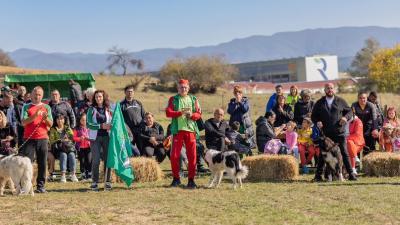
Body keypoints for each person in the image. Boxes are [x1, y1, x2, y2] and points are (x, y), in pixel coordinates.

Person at [311, 83, 357, 181]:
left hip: (339, 132)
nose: (330, 90)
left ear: (334, 89)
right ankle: (318, 176)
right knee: (323, 155)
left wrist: (345, 117)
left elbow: (350, 112)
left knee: (344, 153)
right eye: (328, 88)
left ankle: (351, 174)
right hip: (326, 134)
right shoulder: (319, 102)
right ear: (325, 90)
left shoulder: (340, 101)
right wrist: (317, 121)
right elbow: (313, 116)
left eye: (331, 88)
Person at [166, 79, 202, 188]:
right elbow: (168, 112)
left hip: (190, 131)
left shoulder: (193, 99)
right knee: (174, 156)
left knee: (192, 157)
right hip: (177, 131)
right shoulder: (173, 99)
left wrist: (192, 115)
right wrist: (180, 113)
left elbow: (199, 114)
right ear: (178, 88)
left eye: (185, 87)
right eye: (181, 87)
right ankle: (176, 179)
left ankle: (191, 180)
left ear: (188, 88)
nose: (183, 89)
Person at [19, 86, 53, 193]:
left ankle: (41, 186)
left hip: (42, 138)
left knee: (42, 163)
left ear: (42, 96)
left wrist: (45, 118)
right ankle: (25, 186)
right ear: (31, 94)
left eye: (39, 94)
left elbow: (51, 124)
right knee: (27, 164)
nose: (37, 96)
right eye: (35, 94)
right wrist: (35, 116)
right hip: (29, 139)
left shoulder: (47, 107)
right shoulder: (26, 106)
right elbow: (23, 122)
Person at [87, 90, 113, 191]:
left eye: (100, 97)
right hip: (95, 138)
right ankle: (94, 182)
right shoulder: (91, 109)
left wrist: (111, 125)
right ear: (94, 98)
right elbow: (88, 124)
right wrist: (101, 126)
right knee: (96, 160)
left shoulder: (109, 109)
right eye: (97, 97)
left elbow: (114, 120)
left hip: (107, 137)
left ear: (103, 97)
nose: (98, 98)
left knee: (108, 160)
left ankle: (107, 181)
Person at [49, 114, 78, 183]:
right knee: (63, 155)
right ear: (55, 120)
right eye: (58, 119)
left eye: (61, 119)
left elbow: (72, 137)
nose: (60, 121)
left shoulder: (67, 128)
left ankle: (73, 174)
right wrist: (60, 140)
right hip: (58, 149)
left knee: (72, 155)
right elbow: (51, 140)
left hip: (68, 148)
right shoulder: (53, 129)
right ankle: (63, 175)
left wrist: (68, 137)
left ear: (64, 120)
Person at [120, 85, 145, 151]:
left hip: (139, 130)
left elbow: (143, 116)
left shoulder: (138, 103)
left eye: (131, 91)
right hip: (128, 131)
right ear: (125, 92)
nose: (130, 93)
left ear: (133, 92)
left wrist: (143, 126)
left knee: (141, 149)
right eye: (128, 91)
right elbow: (120, 119)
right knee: (130, 150)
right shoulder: (121, 105)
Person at [73, 113, 92, 180]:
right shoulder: (77, 128)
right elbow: (74, 138)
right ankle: (83, 174)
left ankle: (89, 173)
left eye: (85, 120)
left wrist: (88, 138)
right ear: (79, 120)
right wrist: (79, 138)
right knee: (82, 161)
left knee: (89, 160)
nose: (84, 121)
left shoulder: (89, 127)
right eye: (82, 120)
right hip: (80, 148)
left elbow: (92, 136)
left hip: (88, 147)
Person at [346, 110, 365, 175]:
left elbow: (357, 134)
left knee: (350, 143)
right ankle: (355, 157)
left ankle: (353, 168)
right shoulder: (343, 120)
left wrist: (345, 139)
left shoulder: (358, 121)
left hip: (357, 142)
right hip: (346, 141)